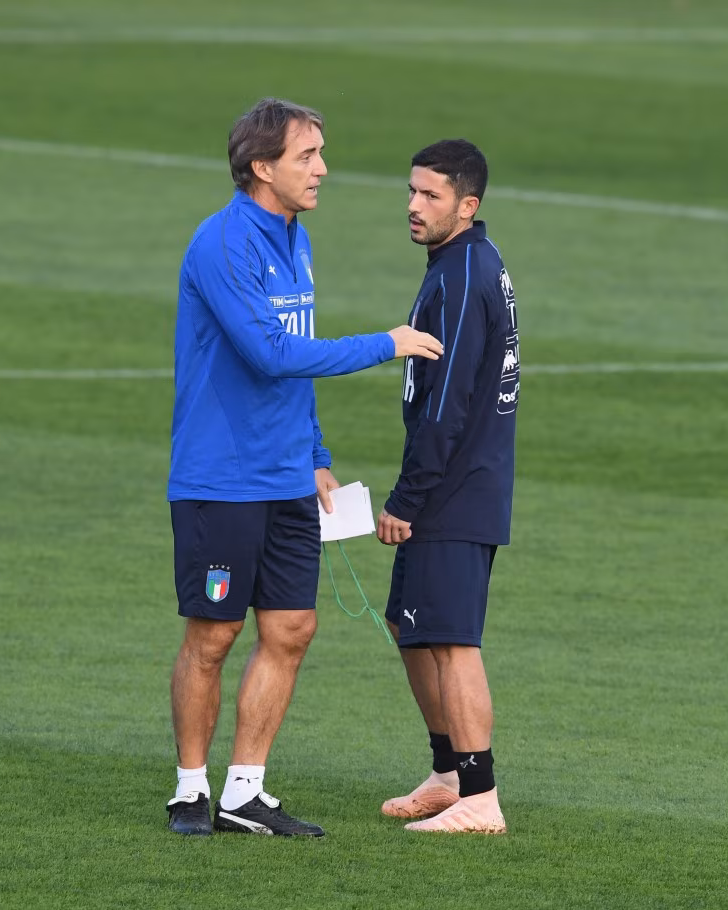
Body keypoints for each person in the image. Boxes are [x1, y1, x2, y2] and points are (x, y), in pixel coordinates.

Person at [166, 98, 443, 838]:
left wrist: (316, 455)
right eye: (307, 155)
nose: (322, 168)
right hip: (222, 478)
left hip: (288, 475)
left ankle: (244, 793)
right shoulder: (223, 243)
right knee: (213, 636)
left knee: (290, 628)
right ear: (263, 167)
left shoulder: (296, 236)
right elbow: (272, 354)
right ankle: (190, 791)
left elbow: (295, 353)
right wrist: (386, 343)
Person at [376, 139, 519, 834]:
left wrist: (408, 498)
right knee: (411, 627)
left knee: (454, 640)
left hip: (455, 490)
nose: (414, 205)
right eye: (411, 191)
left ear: (467, 205)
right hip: (451, 484)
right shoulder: (459, 263)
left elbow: (448, 401)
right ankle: (448, 773)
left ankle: (481, 797)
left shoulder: (463, 274)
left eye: (430, 195)